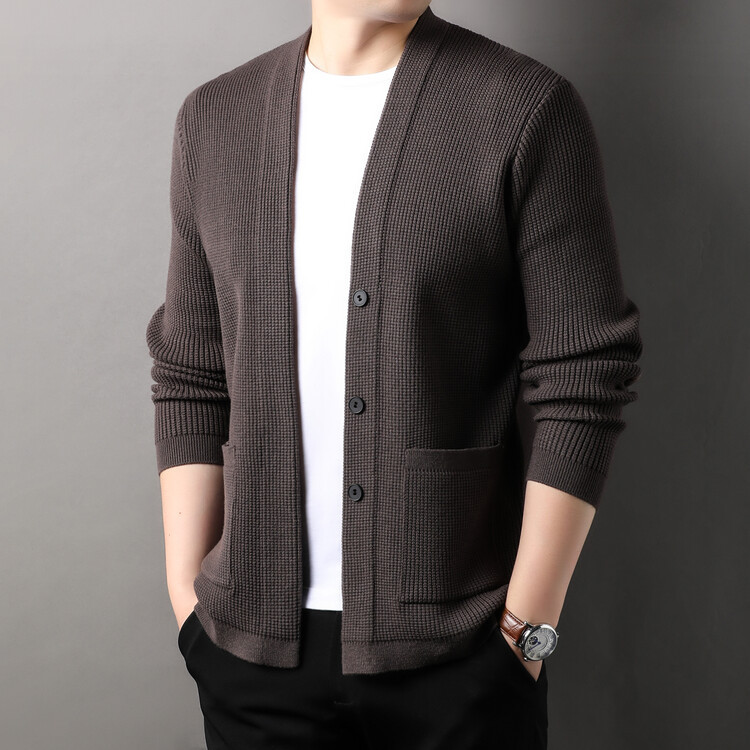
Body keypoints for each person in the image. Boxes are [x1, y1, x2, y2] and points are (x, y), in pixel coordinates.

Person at [145, 1, 643, 748]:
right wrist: (189, 604)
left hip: (463, 654)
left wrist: (525, 633)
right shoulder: (215, 119)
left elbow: (584, 371)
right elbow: (191, 370)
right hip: (250, 656)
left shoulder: (523, 109)